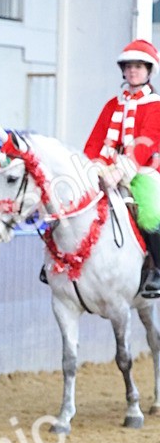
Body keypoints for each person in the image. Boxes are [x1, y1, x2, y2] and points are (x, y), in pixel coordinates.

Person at [84, 38, 160, 297]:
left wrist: (120, 171)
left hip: (143, 171)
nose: (132, 71)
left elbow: (145, 146)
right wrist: (92, 168)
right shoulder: (111, 104)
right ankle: (60, 264)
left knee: (149, 213)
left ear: (149, 71)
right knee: (74, 202)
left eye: (138, 66)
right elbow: (94, 141)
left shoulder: (156, 105)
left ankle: (156, 270)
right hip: (105, 170)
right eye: (128, 67)